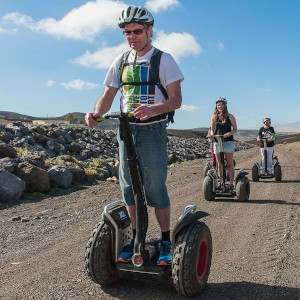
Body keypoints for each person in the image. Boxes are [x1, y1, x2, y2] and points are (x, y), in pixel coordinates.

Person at [85, 5, 183, 266]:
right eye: (127, 32)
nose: (132, 36)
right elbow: (107, 96)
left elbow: (176, 100)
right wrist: (95, 114)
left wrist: (153, 109)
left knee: (154, 186)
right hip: (125, 130)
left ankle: (165, 240)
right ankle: (136, 239)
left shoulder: (164, 60)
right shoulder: (120, 61)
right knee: (129, 186)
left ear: (150, 30)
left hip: (153, 130)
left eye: (137, 31)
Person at [209, 97, 237, 189]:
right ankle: (221, 183)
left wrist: (229, 133)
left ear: (225, 105)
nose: (220, 106)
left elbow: (235, 129)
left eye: (221, 105)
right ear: (216, 106)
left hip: (228, 142)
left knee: (229, 164)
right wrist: (212, 136)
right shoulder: (214, 117)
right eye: (218, 105)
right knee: (219, 164)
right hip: (217, 143)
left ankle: (232, 184)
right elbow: (212, 130)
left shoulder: (230, 116)